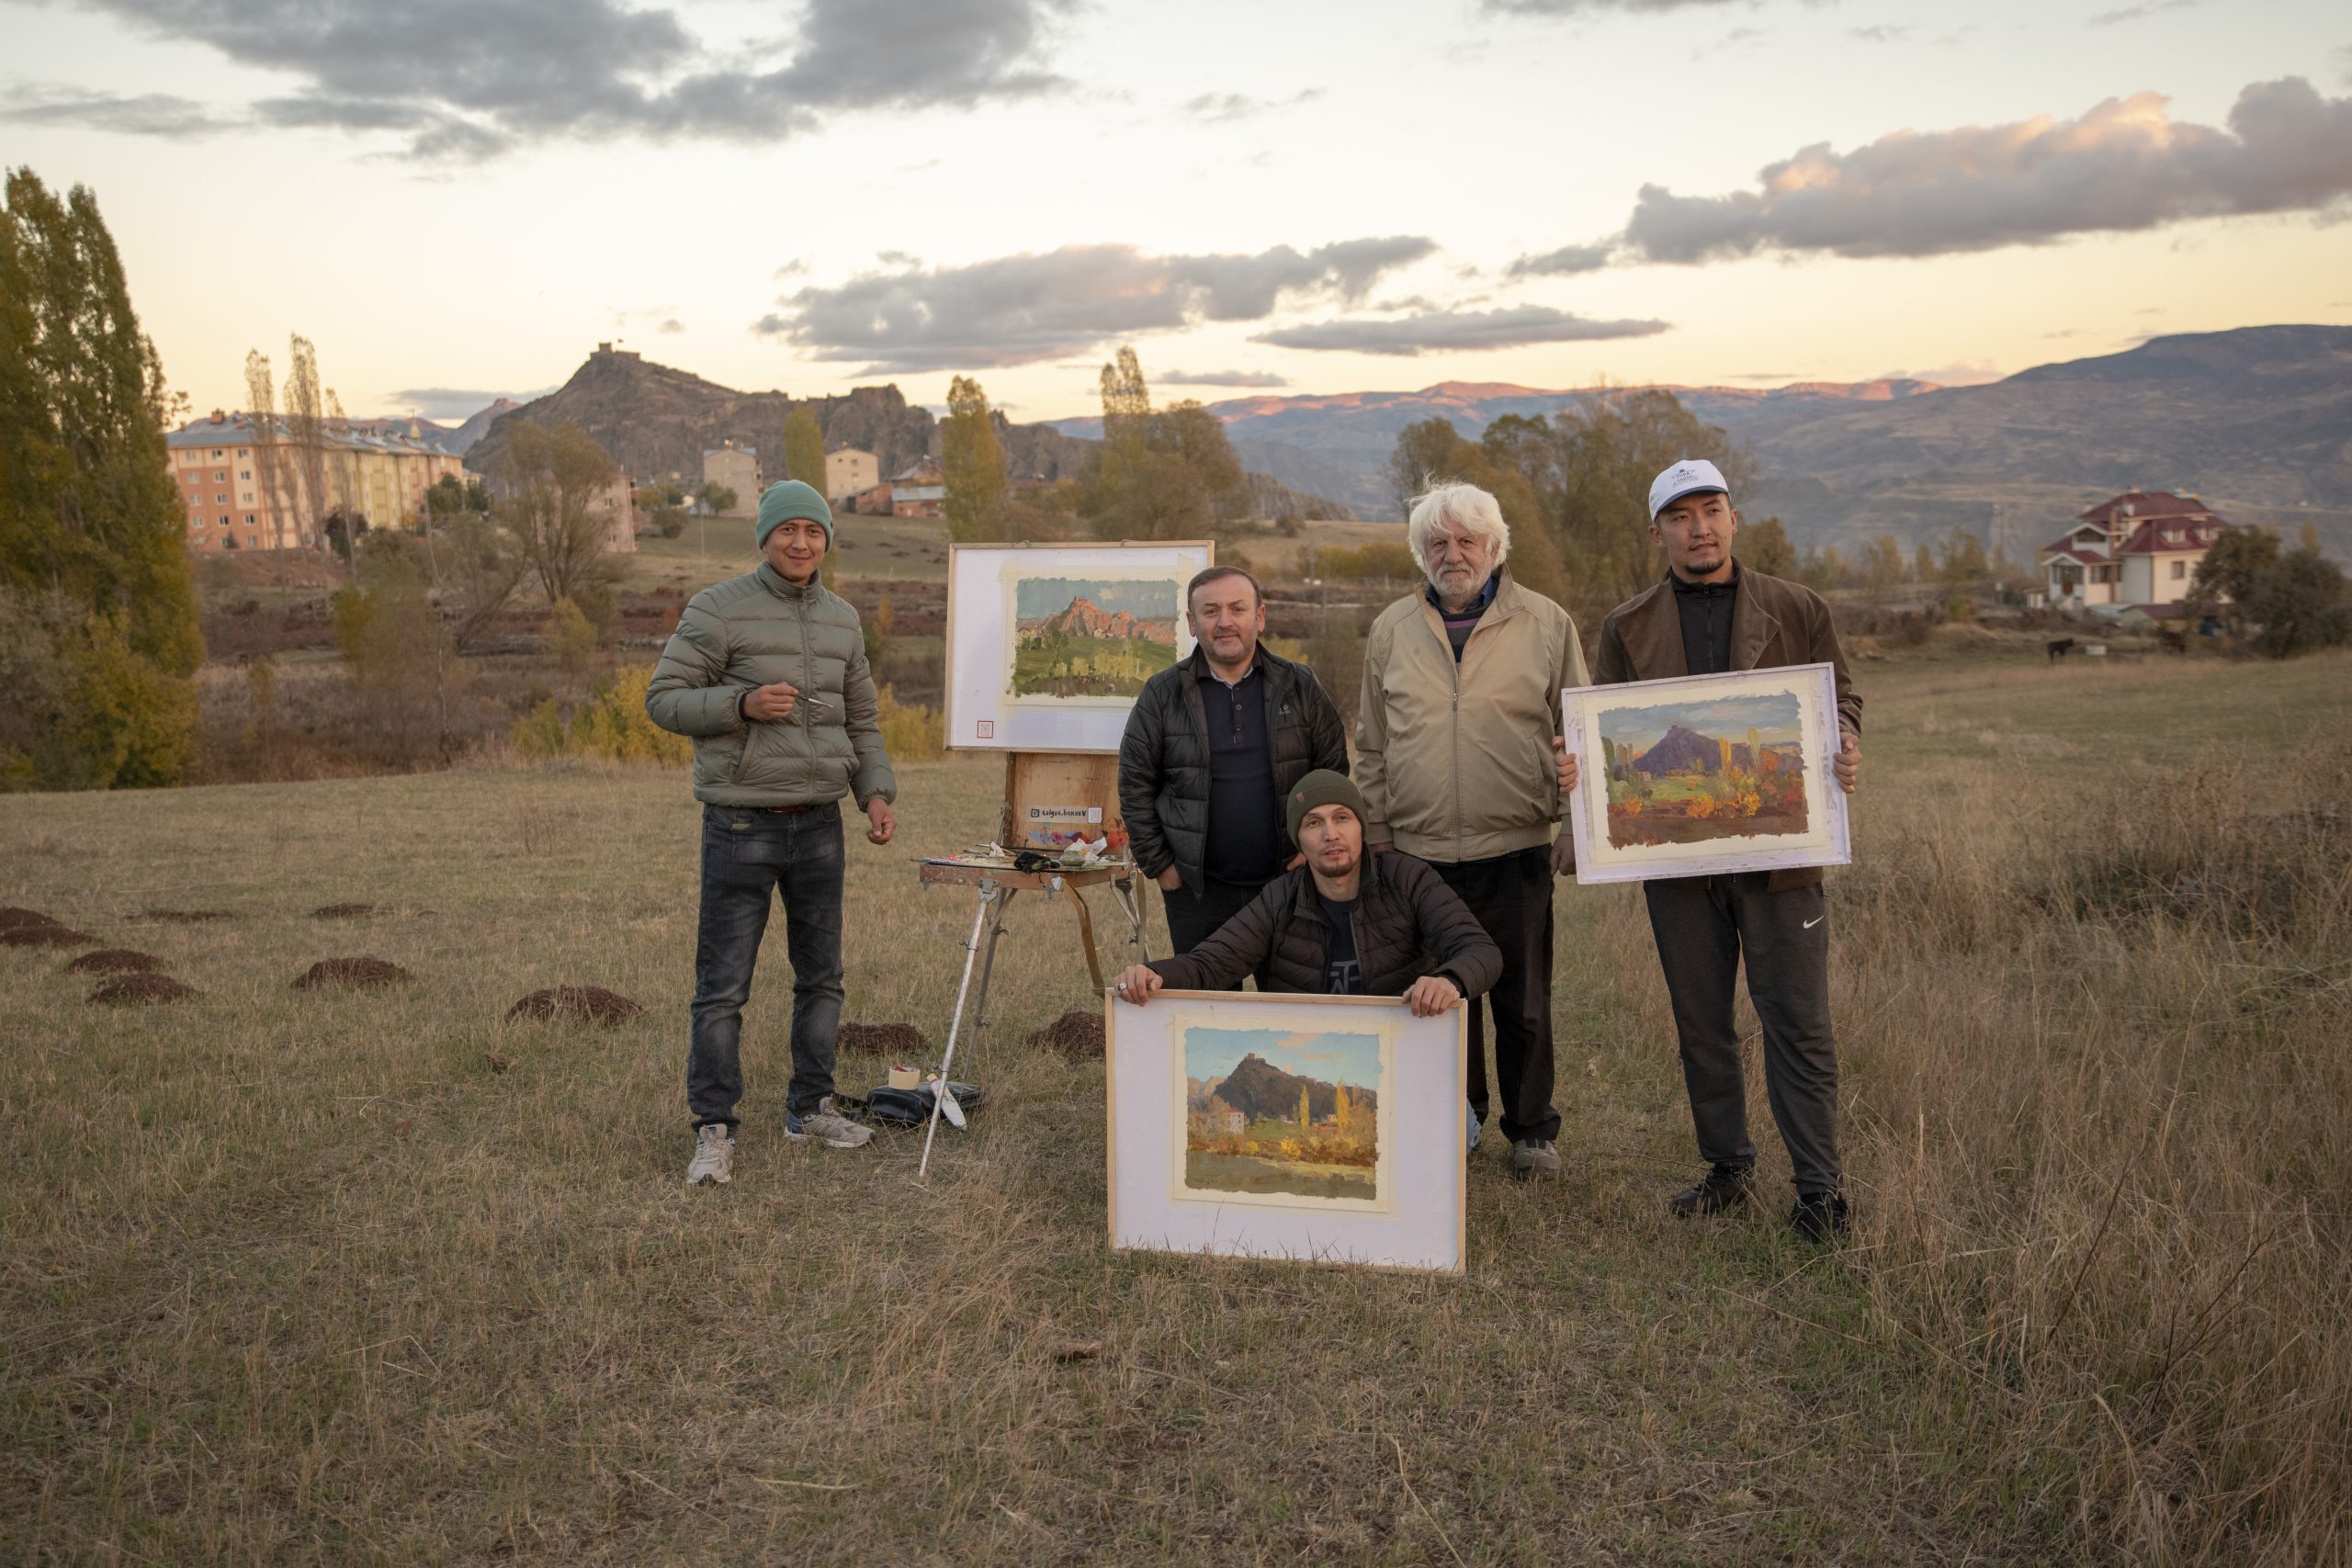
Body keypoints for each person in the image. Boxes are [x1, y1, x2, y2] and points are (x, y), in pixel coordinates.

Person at [1586, 457, 1862, 1240]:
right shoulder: (1624, 626)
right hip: (1677, 864)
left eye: (1710, 509)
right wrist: (1581, 766)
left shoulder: (1797, 607)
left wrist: (1844, 737)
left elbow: (1842, 695)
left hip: (1783, 858)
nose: (1698, 527)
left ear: (1733, 517)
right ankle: (1728, 1167)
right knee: (1701, 1020)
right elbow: (1605, 731)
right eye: (1680, 516)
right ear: (1657, 532)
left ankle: (1820, 1190)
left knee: (1798, 1021)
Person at [644, 479, 899, 1186]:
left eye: (813, 531)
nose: (800, 543)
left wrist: (874, 792)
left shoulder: (843, 621)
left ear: (826, 541)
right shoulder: (717, 610)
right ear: (763, 537)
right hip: (740, 824)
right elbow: (662, 700)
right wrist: (742, 703)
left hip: (820, 824)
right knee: (722, 988)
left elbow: (863, 722)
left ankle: (810, 1107)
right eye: (786, 530)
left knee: (823, 979)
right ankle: (714, 1129)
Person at [1355, 483, 1588, 1179]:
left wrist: (1579, 823)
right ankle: (1457, 1117)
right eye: (1438, 543)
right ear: (1421, 553)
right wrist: (1377, 831)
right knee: (1437, 994)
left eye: (1467, 541)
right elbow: (1370, 743)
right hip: (1417, 852)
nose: (1453, 554)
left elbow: (1581, 730)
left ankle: (1532, 1130)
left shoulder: (1546, 623)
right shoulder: (1391, 629)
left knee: (1521, 999)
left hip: (1515, 845)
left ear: (1495, 547)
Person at [1114, 773, 1504, 1143]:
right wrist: (1155, 974)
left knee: (1455, 1141)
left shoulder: (1409, 880)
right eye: (1314, 823)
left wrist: (1449, 980)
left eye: (1342, 818)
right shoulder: (1277, 900)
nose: (1330, 833)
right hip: (1319, 1076)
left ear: (1361, 827)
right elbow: (1212, 963)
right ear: (1299, 841)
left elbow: (1481, 951)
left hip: (1406, 1066)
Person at [1118, 565, 1349, 957]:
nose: (1225, 622)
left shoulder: (1301, 685)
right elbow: (1135, 785)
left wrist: (1308, 851)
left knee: (1289, 1010)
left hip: (1288, 886)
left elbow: (1332, 774)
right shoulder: (1162, 694)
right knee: (1207, 1012)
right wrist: (1163, 868)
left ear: (1259, 616)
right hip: (1197, 894)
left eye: (1237, 609)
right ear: (1192, 623)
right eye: (1210, 612)